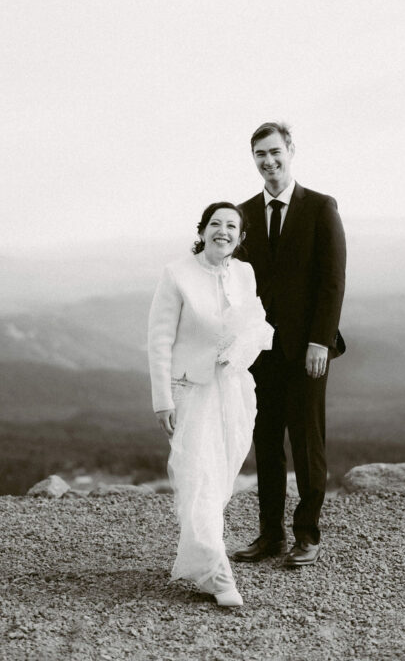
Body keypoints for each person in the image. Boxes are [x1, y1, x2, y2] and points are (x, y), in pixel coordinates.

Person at [147, 202, 274, 607]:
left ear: (241, 236)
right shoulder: (176, 274)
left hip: (233, 389)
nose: (223, 231)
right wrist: (162, 399)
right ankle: (217, 574)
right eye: (215, 224)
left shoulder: (245, 273)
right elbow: (159, 340)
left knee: (218, 478)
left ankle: (200, 550)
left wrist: (240, 349)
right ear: (202, 230)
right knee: (197, 475)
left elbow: (254, 328)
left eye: (232, 226)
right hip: (192, 388)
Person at [233, 121, 347, 568]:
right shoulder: (242, 213)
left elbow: (332, 281)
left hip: (307, 351)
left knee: (306, 442)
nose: (269, 161)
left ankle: (307, 534)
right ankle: (269, 537)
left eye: (275, 151)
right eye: (260, 154)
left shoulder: (320, 207)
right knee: (265, 443)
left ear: (291, 150)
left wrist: (320, 341)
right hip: (259, 352)